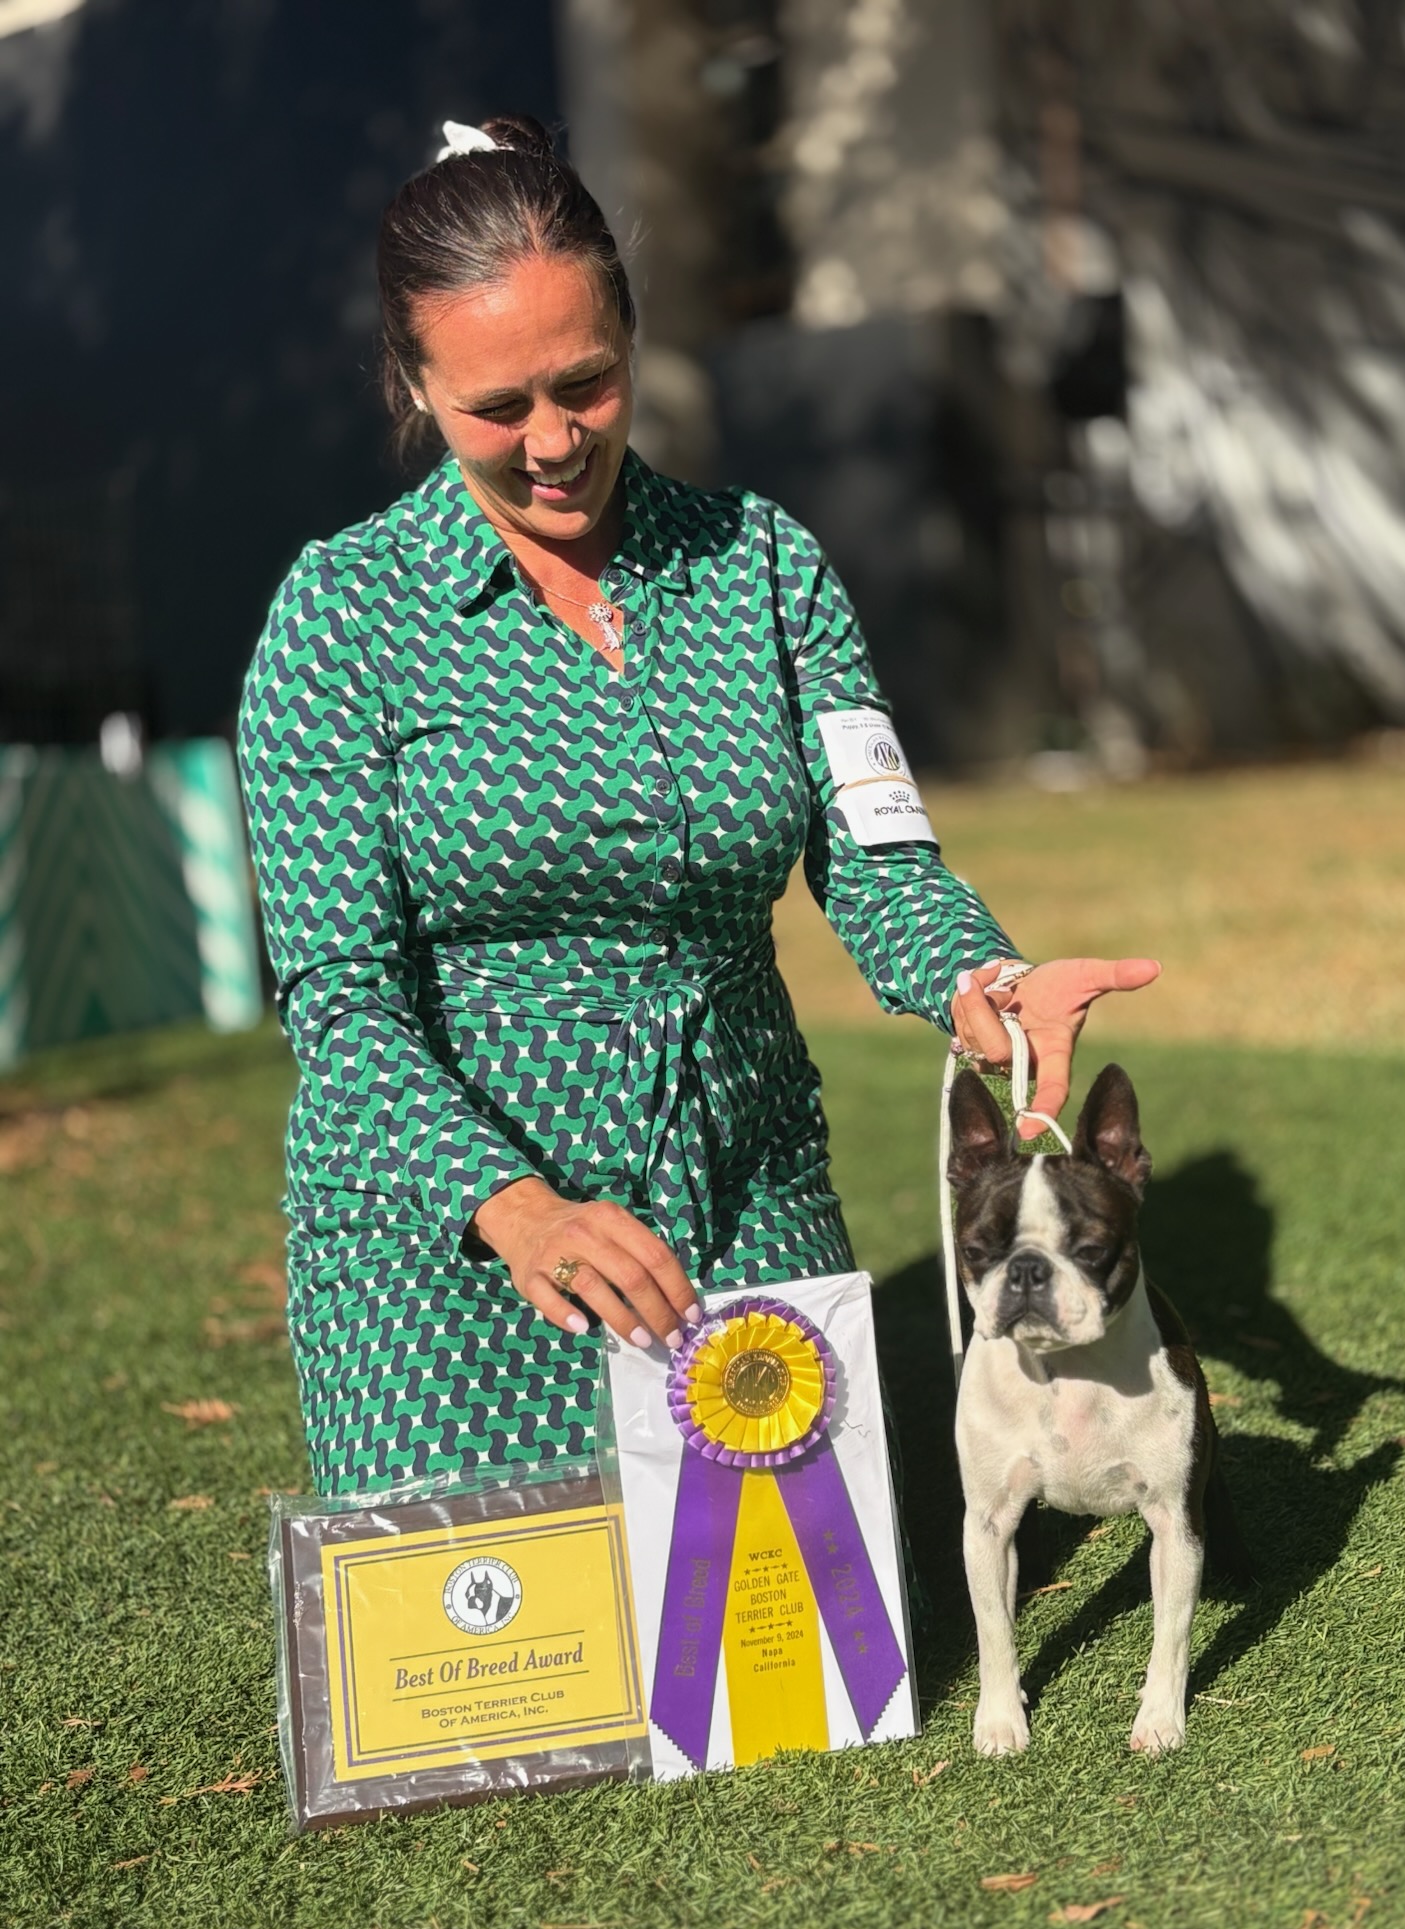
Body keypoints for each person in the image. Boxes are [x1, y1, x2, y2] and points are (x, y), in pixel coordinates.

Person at [239, 115, 1159, 1498]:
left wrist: (985, 979)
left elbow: (880, 857)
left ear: (629, 332)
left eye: (587, 383)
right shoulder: (340, 617)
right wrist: (521, 1211)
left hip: (743, 1180)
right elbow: (340, 999)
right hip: (457, 1237)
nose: (554, 441)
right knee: (527, 1636)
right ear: (415, 386)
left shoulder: (765, 566)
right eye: (498, 408)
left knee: (795, 1621)